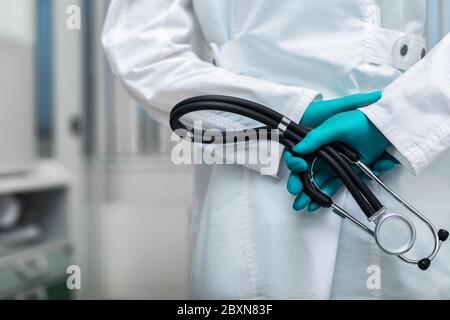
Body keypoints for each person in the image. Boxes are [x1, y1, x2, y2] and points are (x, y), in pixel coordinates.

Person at [102, 0, 450, 299]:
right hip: (262, 184)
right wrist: (287, 114)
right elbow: (141, 52)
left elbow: (140, 54)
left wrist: (396, 118)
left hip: (404, 158)